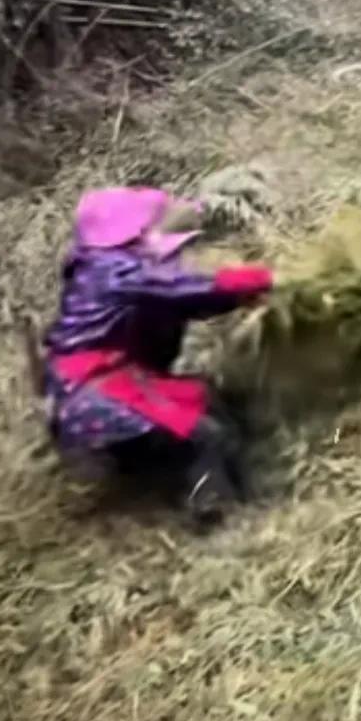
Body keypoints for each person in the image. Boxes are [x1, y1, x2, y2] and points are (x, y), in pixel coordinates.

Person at [41, 186, 274, 525]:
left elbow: (189, 299)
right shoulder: (112, 269)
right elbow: (187, 289)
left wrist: (238, 296)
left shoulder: (105, 267)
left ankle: (234, 494)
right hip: (91, 387)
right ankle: (216, 517)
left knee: (207, 401)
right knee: (204, 433)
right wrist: (265, 279)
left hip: (110, 377)